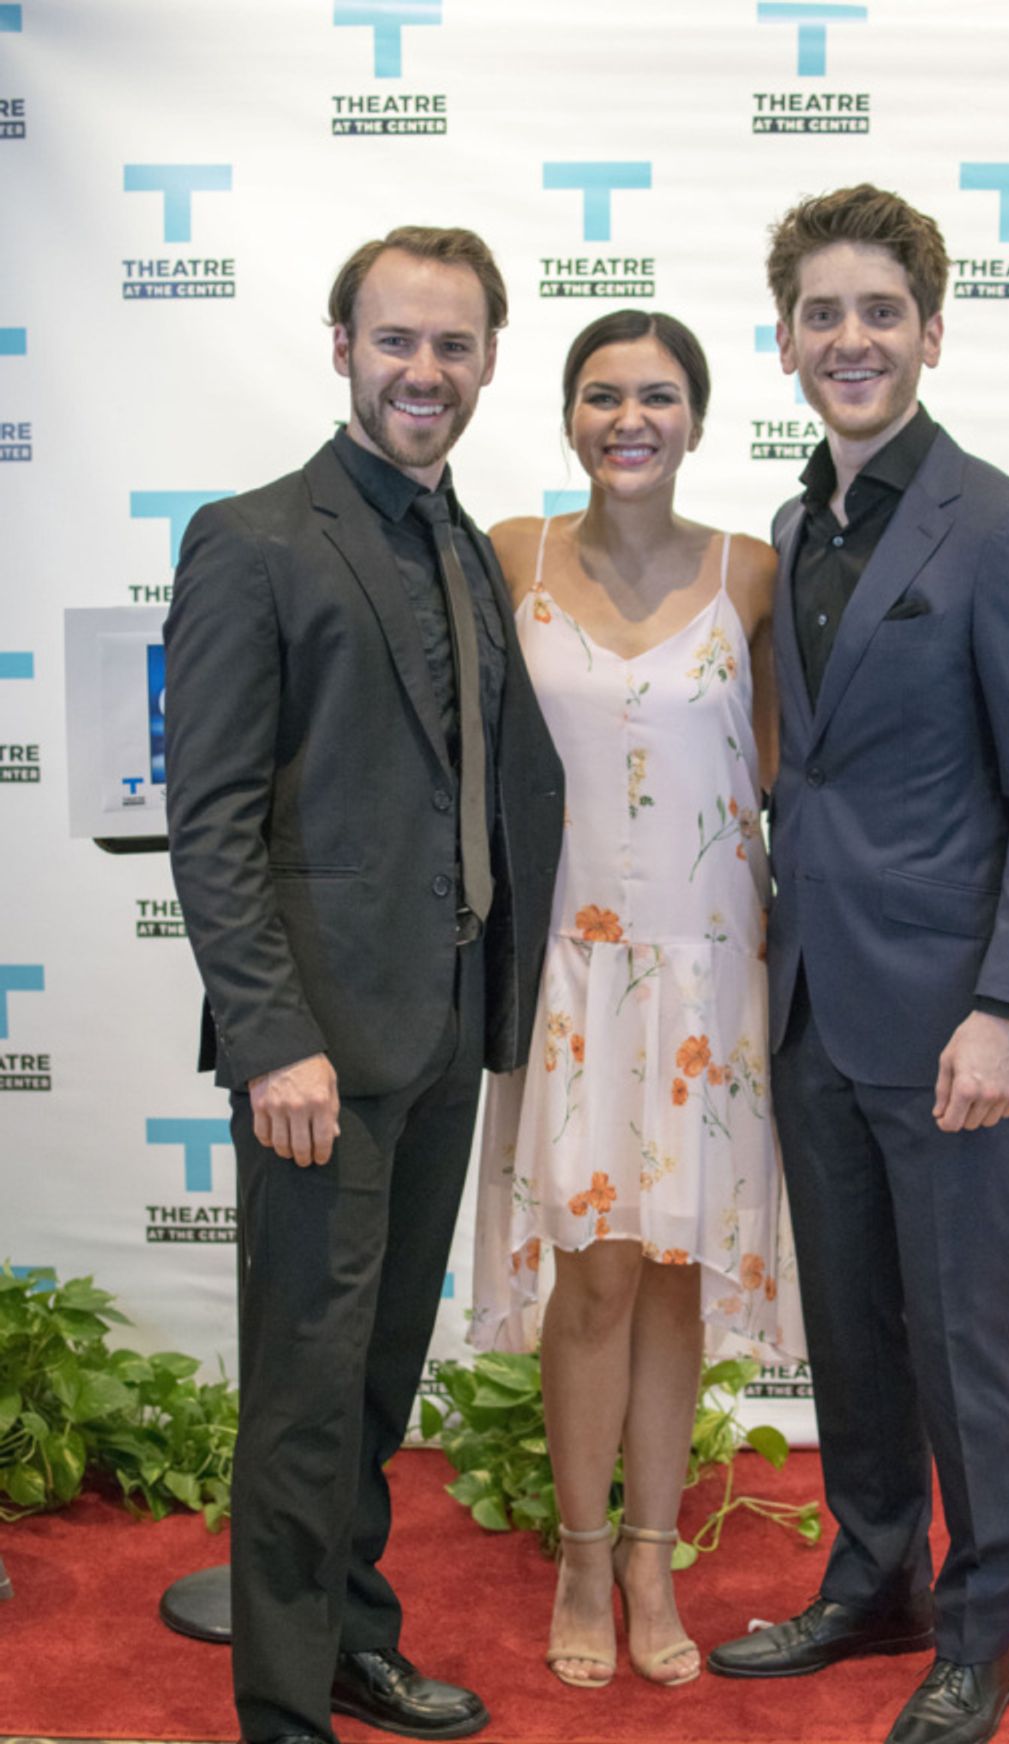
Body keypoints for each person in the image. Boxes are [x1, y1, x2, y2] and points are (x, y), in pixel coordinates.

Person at [707, 185, 1009, 1744]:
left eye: (880, 311)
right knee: (854, 1323)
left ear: (930, 333)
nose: (850, 338)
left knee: (961, 1335)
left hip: (950, 1019)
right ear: (788, 338)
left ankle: (983, 1631)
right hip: (812, 1001)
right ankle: (875, 1579)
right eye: (823, 313)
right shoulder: (798, 525)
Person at [164, 225, 564, 1744]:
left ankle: (350, 1637)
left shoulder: (466, 541)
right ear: (341, 346)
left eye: (453, 346)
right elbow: (210, 822)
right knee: (306, 1392)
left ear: (483, 364)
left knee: (381, 1379)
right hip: (317, 1053)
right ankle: (283, 1709)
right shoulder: (253, 537)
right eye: (397, 340)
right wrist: (273, 1041)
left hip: (446, 1028)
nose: (424, 370)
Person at [469, 309, 801, 1692]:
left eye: (658, 397)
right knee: (595, 1276)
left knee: (672, 1279)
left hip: (708, 971)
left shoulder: (755, 573)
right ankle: (584, 1552)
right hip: (568, 972)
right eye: (602, 395)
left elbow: (774, 770)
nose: (629, 419)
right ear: (565, 416)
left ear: (698, 418)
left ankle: (658, 1552)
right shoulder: (510, 554)